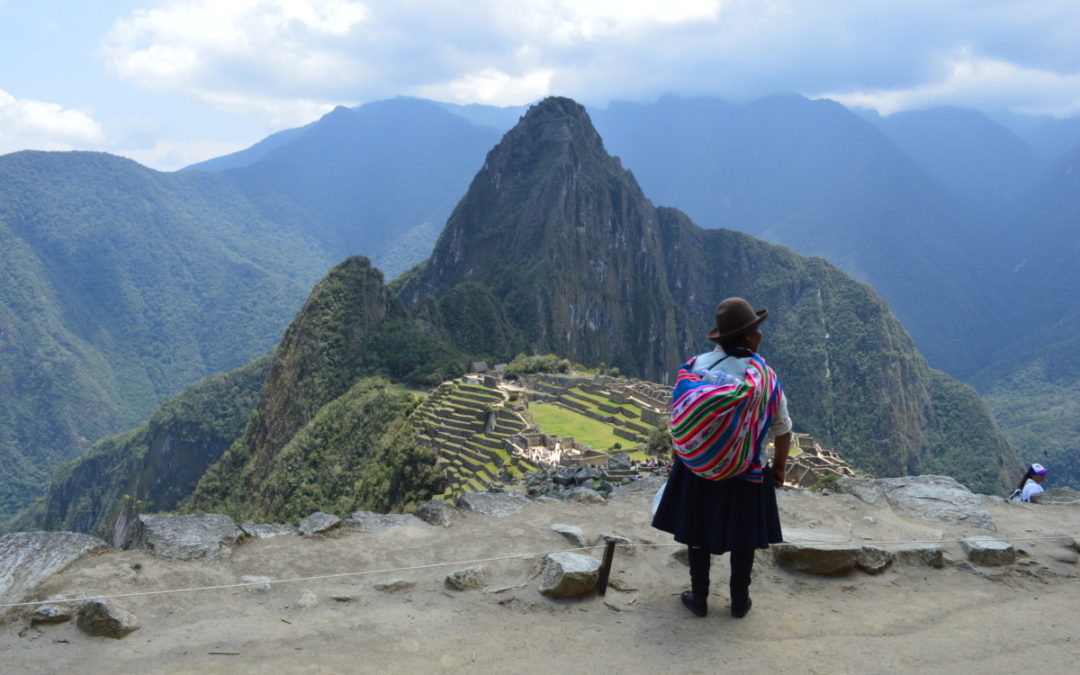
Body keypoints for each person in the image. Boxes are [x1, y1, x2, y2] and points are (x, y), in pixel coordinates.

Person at [652, 297, 792, 618]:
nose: (760, 336)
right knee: (743, 541)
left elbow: (682, 418)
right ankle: (739, 601)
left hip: (698, 469)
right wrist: (779, 469)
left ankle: (699, 597)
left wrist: (683, 456)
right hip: (747, 472)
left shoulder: (695, 368)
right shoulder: (764, 379)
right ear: (746, 338)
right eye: (756, 331)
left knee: (698, 535)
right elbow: (782, 429)